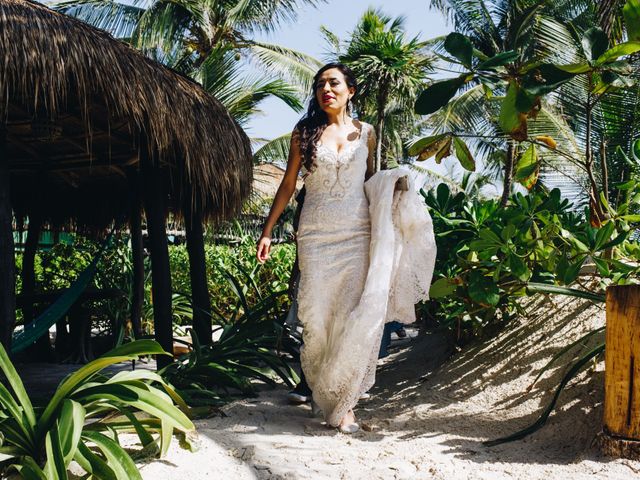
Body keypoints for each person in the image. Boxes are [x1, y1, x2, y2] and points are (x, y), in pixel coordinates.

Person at [257, 62, 436, 434]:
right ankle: (321, 390)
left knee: (353, 315)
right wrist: (268, 230)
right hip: (316, 234)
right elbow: (289, 185)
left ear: (350, 91)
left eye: (334, 83)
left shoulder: (367, 133)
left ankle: (344, 405)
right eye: (320, 84)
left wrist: (394, 188)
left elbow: (370, 182)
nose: (327, 89)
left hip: (357, 233)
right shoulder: (303, 133)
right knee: (318, 317)